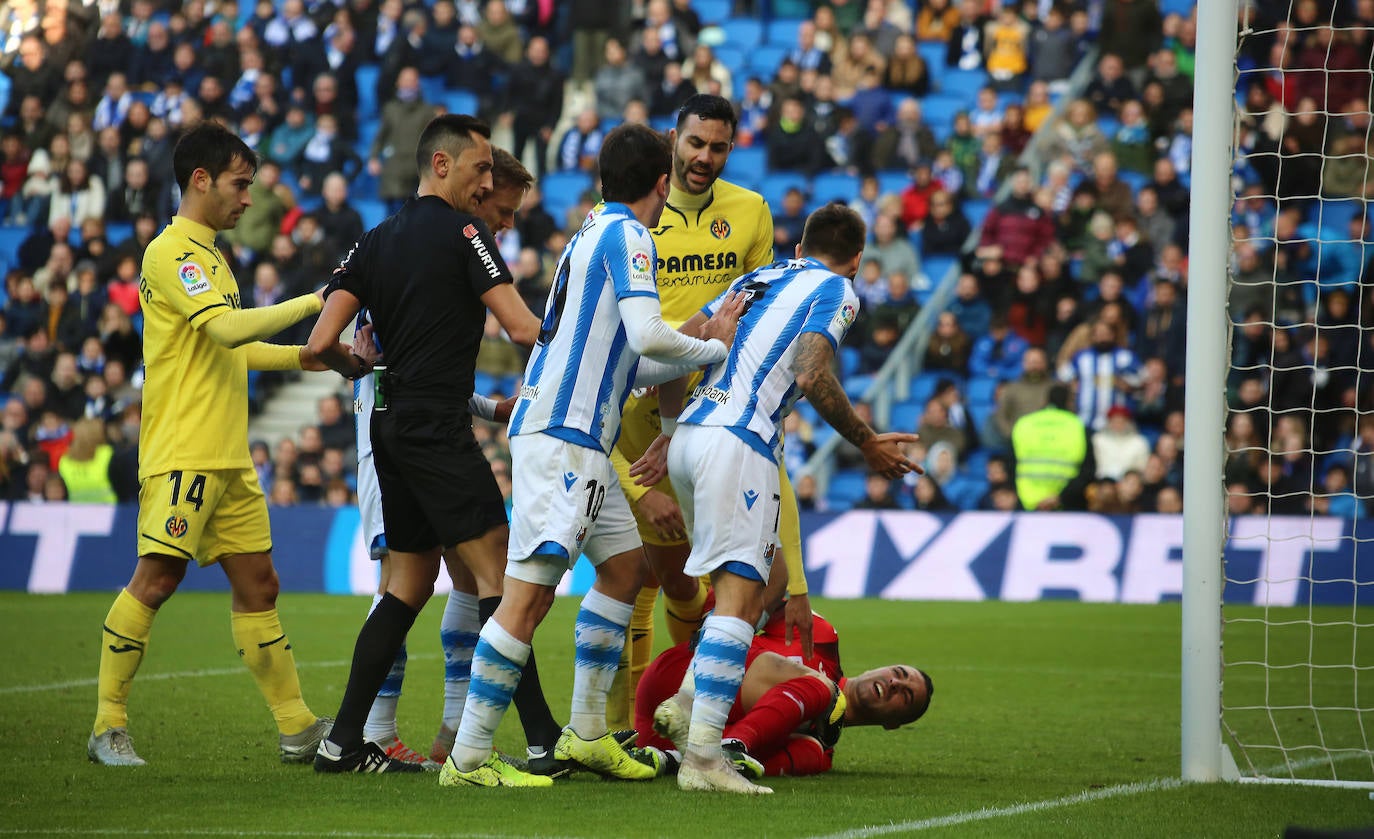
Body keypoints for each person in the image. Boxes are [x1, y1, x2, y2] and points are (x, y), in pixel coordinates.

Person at [440, 123, 742, 789]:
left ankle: (585, 734)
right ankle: (467, 757)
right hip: (565, 439)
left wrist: (684, 340)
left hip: (579, 437)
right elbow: (644, 335)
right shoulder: (629, 235)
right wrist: (714, 345)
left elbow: (622, 359)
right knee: (528, 597)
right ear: (661, 183)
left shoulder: (591, 231)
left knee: (626, 567)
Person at [635, 203, 920, 793]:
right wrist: (866, 443)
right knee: (743, 601)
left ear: (799, 247)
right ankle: (705, 759)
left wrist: (668, 434)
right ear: (858, 261)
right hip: (740, 441)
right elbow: (813, 375)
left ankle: (690, 705)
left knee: (742, 589)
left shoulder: (753, 279)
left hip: (689, 436)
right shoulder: (838, 291)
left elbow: (669, 353)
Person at [88, 122, 339, 767]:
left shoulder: (213, 256)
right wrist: (316, 301)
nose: (248, 199)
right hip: (184, 451)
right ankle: (106, 724)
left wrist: (309, 361)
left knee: (261, 583)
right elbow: (227, 329)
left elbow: (234, 346)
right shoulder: (170, 251)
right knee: (158, 577)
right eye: (240, 184)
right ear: (200, 179)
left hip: (228, 454)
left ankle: (295, 725)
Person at [306, 114, 545, 774]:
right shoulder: (465, 232)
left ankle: (343, 739)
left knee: (407, 584)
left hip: (389, 423)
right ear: (442, 166)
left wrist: (359, 370)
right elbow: (523, 326)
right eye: (479, 171)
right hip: (437, 428)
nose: (486, 184)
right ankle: (543, 737)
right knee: (500, 573)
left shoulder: (374, 239)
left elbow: (320, 343)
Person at [605, 94, 789, 736]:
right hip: (640, 419)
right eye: (694, 143)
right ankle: (637, 724)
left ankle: (698, 712)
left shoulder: (749, 211)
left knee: (761, 579)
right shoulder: (630, 218)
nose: (705, 157)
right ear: (672, 140)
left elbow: (766, 312)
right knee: (664, 582)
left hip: (720, 420)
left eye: (718, 146)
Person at [635, 611, 933, 776]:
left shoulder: (816, 752)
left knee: (813, 752)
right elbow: (748, 601)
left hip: (660, 734)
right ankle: (730, 745)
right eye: (898, 673)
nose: (895, 683)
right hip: (685, 676)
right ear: (878, 667)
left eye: (905, 696)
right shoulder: (821, 637)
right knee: (824, 689)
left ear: (893, 724)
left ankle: (679, 758)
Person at [1010, 384, 1095, 511]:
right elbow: (1088, 469)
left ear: (1046, 400)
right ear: (1069, 402)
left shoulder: (1024, 424)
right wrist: (1061, 497)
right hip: (1067, 504)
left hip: (1027, 502)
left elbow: (1010, 464)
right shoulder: (1078, 426)